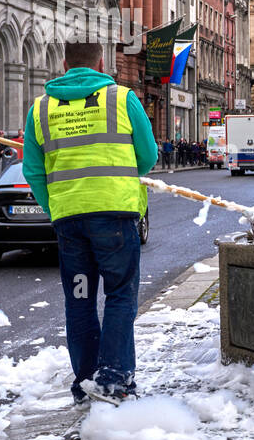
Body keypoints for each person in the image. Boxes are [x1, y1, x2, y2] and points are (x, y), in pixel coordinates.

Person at [22, 40, 158, 404]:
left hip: (70, 223)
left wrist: (56, 207)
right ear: (101, 62)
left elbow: (32, 171)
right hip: (115, 215)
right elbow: (148, 157)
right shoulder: (122, 98)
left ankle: (85, 380)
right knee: (118, 295)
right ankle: (113, 381)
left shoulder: (40, 108)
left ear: (65, 63)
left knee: (79, 300)